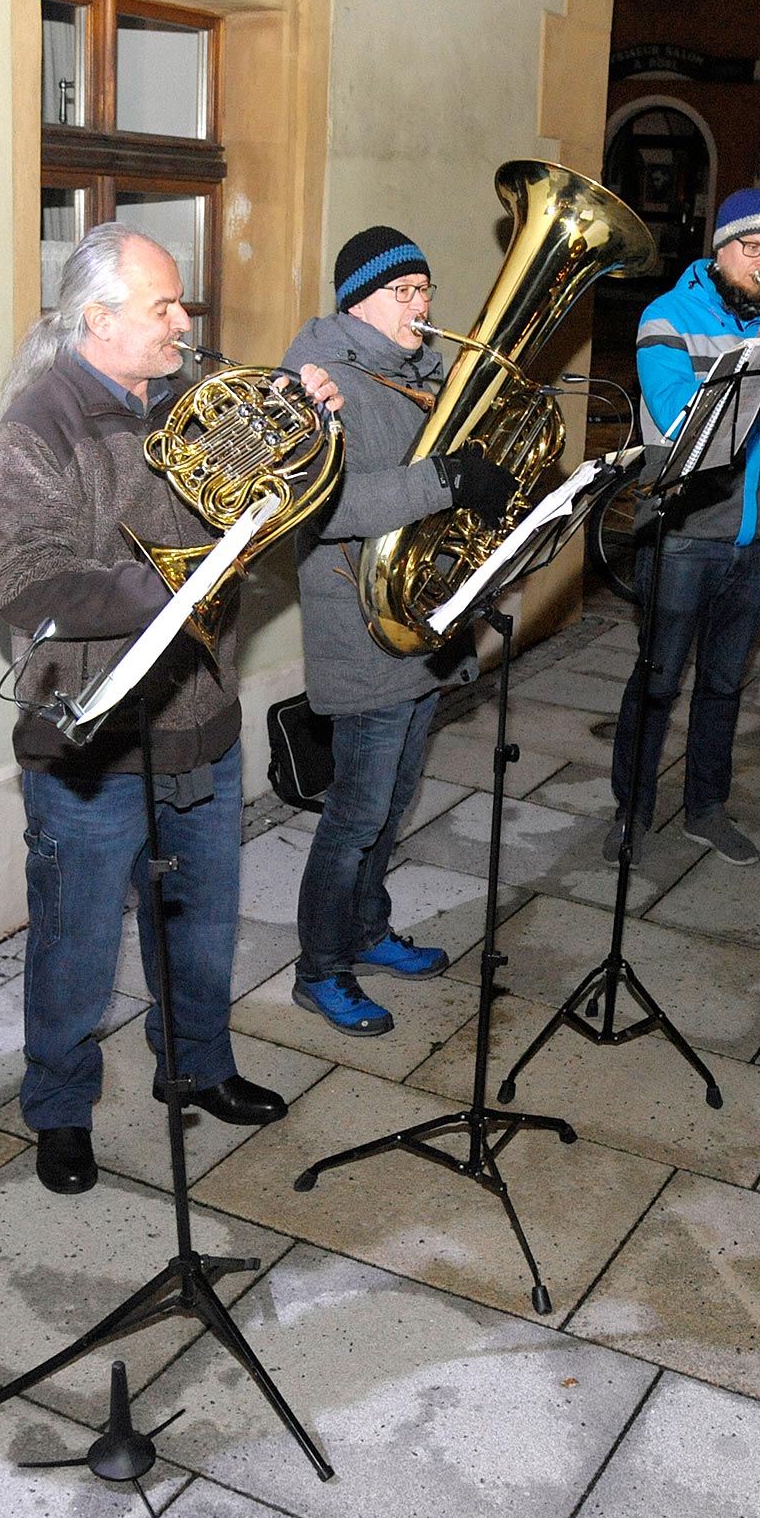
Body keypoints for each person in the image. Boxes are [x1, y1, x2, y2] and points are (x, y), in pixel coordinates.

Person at [0, 223, 310, 1195]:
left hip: (198, 720)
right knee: (77, 941)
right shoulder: (33, 431)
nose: (183, 320)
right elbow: (26, 584)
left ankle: (196, 1061)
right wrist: (170, 586)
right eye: (163, 306)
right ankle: (59, 1107)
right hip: (87, 740)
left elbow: (256, 517)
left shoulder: (183, 405)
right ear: (100, 319)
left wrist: (300, 431)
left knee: (203, 919)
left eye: (180, 304)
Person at [280, 226, 513, 1035]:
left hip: (423, 621)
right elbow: (326, 507)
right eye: (404, 294)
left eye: (425, 292)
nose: (422, 307)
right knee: (354, 815)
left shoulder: (421, 373)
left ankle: (367, 930)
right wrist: (444, 479)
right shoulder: (314, 380)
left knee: (394, 801)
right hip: (361, 627)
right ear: (359, 302)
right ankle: (320, 968)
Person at [606, 187, 760, 866]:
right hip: (685, 528)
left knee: (726, 683)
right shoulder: (665, 316)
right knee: (657, 678)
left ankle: (707, 807)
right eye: (754, 251)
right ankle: (633, 812)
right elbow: (676, 418)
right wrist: (755, 350)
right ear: (722, 250)